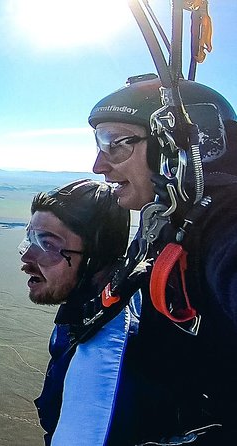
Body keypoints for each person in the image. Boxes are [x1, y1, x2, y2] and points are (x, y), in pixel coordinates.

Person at [87, 73, 237, 444]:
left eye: (114, 144)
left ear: (176, 147)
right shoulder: (168, 217)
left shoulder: (222, 221)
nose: (98, 165)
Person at [18, 179, 132, 445]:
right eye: (29, 239)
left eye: (48, 246)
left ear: (95, 258)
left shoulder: (102, 364)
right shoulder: (89, 314)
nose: (26, 260)